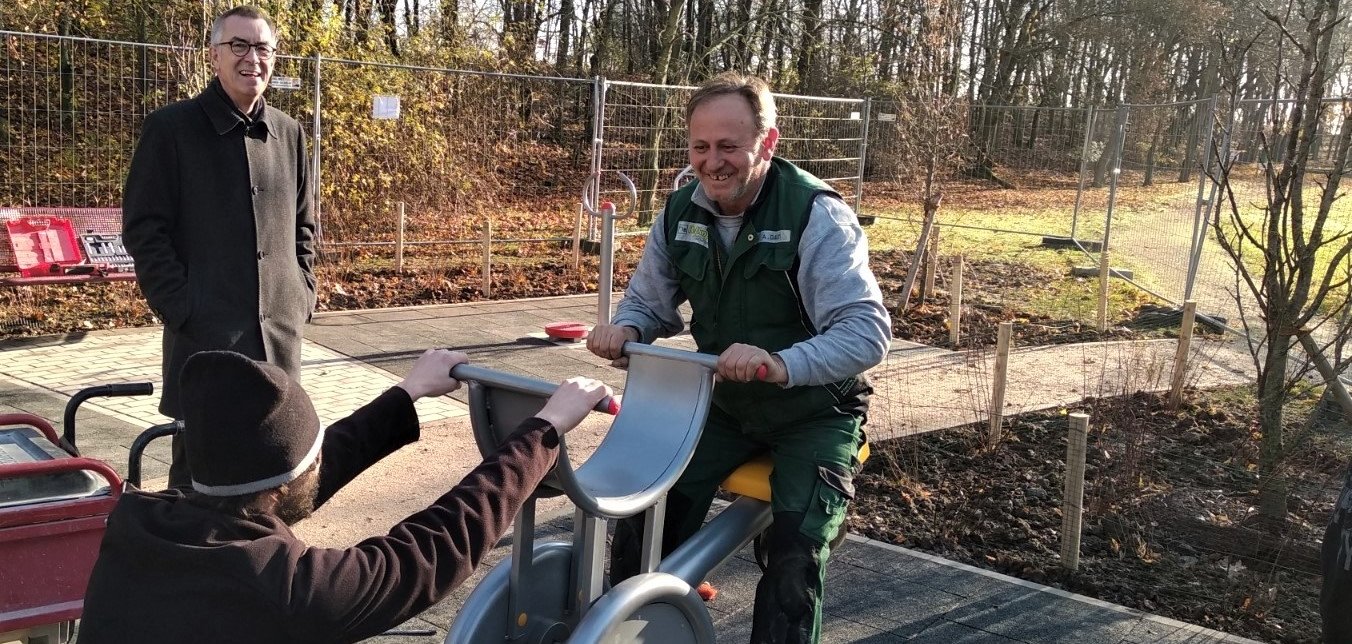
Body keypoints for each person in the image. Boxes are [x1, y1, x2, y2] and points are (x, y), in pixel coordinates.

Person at [587, 72, 891, 643]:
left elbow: (866, 333)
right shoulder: (681, 213)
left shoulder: (815, 214)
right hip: (727, 405)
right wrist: (626, 328)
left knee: (795, 555)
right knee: (646, 508)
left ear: (767, 143)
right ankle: (628, 628)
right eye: (700, 147)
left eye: (729, 146)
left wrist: (781, 363)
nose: (712, 162)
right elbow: (647, 304)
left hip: (815, 411)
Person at [78, 348, 612, 642]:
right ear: (288, 480)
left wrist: (406, 394)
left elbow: (289, 475)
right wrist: (544, 430)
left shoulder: (136, 526)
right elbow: (431, 548)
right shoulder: (286, 589)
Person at [121, 5, 316, 488]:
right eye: (239, 46)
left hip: (279, 336)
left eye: (263, 48)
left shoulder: (289, 134)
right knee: (197, 482)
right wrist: (182, 306)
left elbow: (305, 226)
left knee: (278, 476)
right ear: (213, 56)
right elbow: (144, 229)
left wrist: (302, 293)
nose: (253, 58)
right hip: (205, 339)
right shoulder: (172, 130)